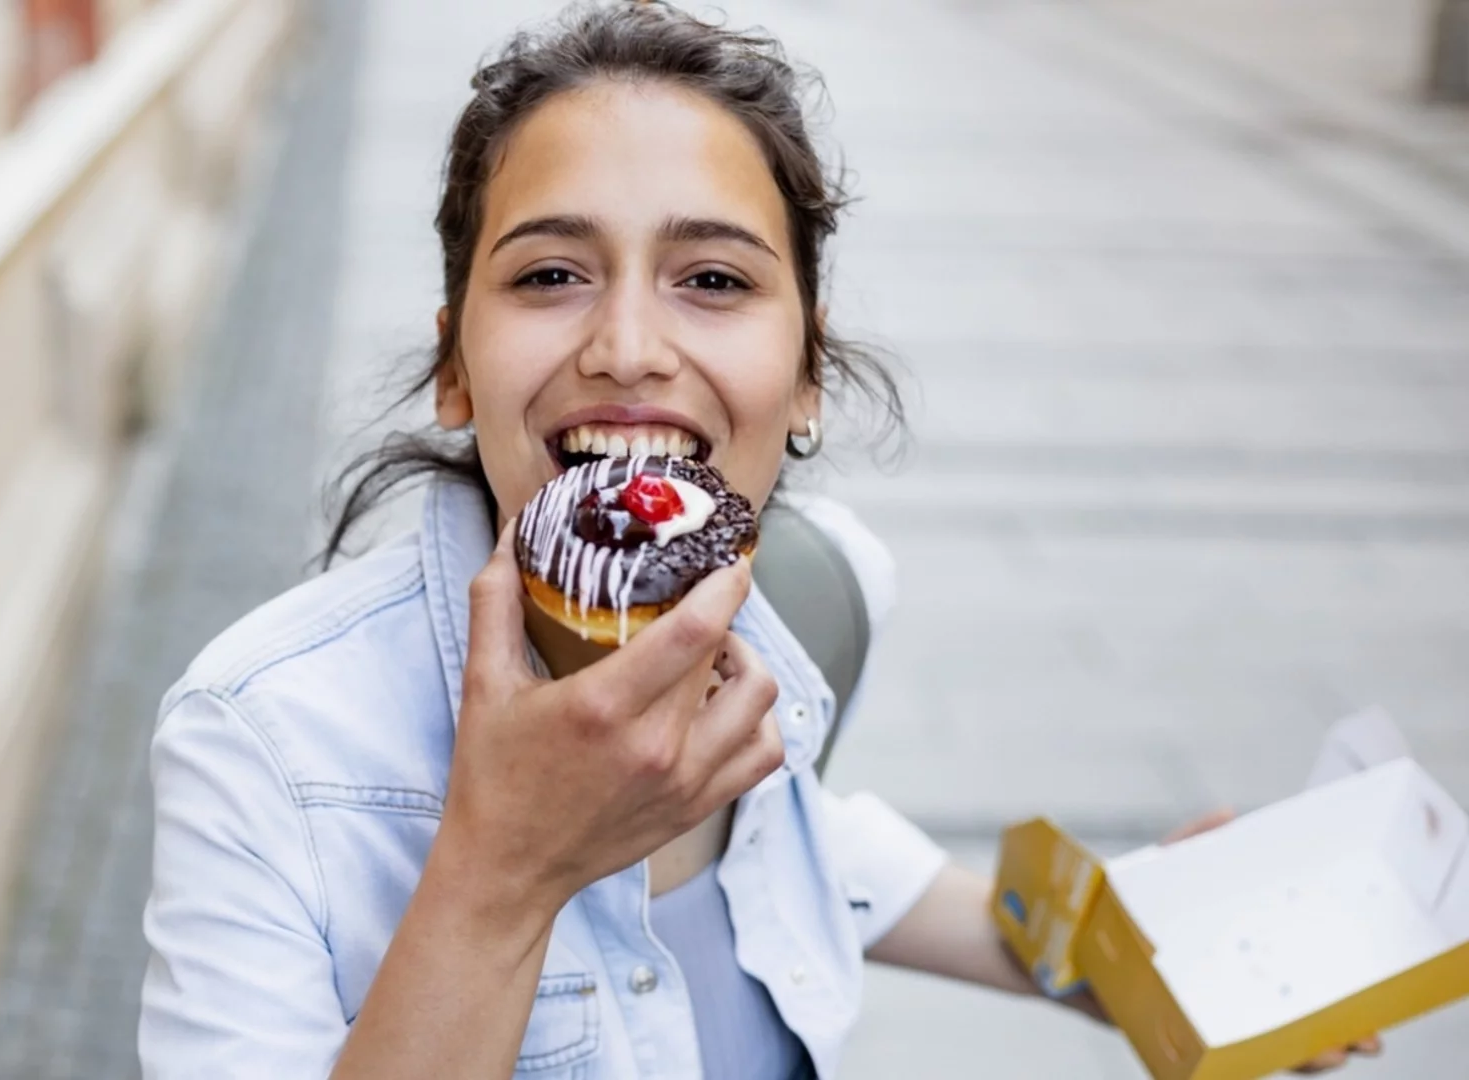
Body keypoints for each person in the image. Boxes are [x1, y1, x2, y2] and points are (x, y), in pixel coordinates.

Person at [139, 4, 1381, 1077]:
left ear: (806, 378)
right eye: (550, 275)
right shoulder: (264, 744)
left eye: (715, 282)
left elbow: (822, 854)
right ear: (455, 367)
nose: (627, 346)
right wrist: (504, 870)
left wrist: (1129, 944)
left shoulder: (802, 609)